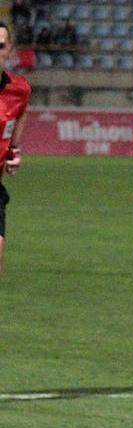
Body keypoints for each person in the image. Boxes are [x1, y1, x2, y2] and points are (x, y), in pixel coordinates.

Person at [0, 22, 32, 277]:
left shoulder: (19, 89)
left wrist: (14, 152)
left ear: (9, 50)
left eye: (0, 46)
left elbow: (19, 114)